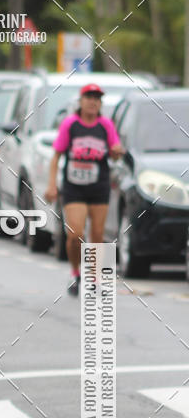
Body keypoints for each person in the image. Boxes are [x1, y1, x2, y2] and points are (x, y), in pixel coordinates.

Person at [46, 83, 123, 296]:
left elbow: (115, 151)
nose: (93, 101)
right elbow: (56, 156)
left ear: (100, 104)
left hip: (99, 185)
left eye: (97, 98)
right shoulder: (70, 125)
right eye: (89, 97)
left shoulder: (105, 125)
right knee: (76, 234)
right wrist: (52, 184)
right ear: (81, 101)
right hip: (74, 187)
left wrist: (117, 151)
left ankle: (95, 278)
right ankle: (75, 272)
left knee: (97, 234)